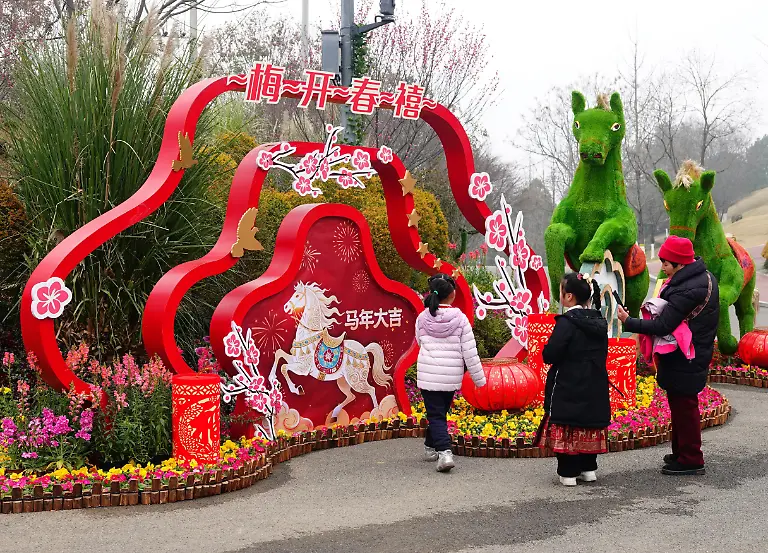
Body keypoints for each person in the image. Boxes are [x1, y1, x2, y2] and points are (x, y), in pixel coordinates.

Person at [618, 235, 719, 476]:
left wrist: (628, 321)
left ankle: (692, 458)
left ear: (681, 264)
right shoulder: (699, 277)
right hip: (688, 352)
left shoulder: (689, 289)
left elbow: (664, 325)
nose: (662, 267)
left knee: (685, 407)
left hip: (687, 354)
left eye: (666, 263)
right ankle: (681, 453)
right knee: (679, 404)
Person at [537, 272, 610, 487]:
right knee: (588, 423)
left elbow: (551, 354)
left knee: (568, 424)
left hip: (568, 383)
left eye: (561, 291)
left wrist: (546, 349)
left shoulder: (566, 322)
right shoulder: (598, 321)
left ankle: (568, 473)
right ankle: (588, 470)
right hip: (595, 383)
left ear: (569, 297)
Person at [415, 273, 486, 472]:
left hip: (428, 374)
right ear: (453, 294)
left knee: (436, 414)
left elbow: (419, 341)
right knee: (439, 413)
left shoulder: (422, 317)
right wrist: (480, 380)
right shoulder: (461, 319)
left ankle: (437, 449)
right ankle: (441, 451)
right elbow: (470, 353)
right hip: (450, 376)